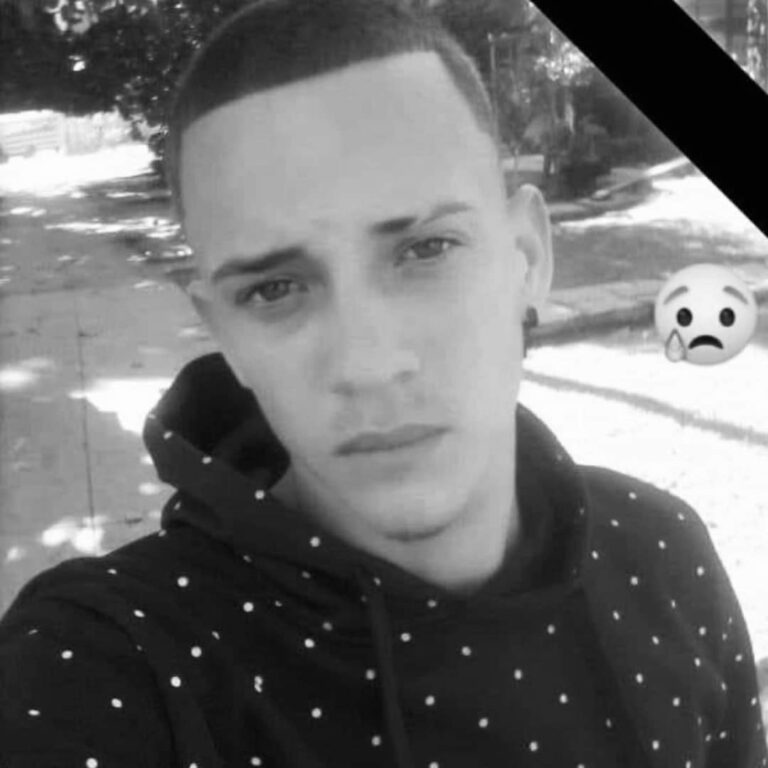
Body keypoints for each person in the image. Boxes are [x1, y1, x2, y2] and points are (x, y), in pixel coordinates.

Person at [1, 1, 766, 766]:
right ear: (224, 334)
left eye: (426, 249)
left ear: (526, 261)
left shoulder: (665, 555)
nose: (367, 364)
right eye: (273, 289)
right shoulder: (105, 665)